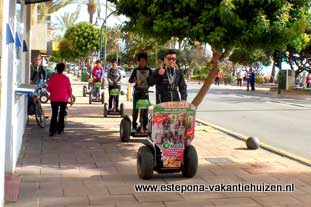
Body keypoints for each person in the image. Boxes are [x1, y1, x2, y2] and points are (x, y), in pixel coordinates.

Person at [129, 52, 152, 131]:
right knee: (135, 109)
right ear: (138, 62)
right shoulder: (135, 70)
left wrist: (150, 82)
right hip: (137, 92)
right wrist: (135, 81)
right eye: (140, 61)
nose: (142, 62)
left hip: (145, 92)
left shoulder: (149, 70)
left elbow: (152, 81)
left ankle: (144, 126)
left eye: (144, 61)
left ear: (146, 62)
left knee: (145, 110)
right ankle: (134, 125)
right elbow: (130, 80)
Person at [47, 63, 73, 136]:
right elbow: (69, 89)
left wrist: (53, 91)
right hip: (63, 98)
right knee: (61, 114)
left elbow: (49, 89)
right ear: (64, 69)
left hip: (54, 98)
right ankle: (60, 129)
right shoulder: (66, 78)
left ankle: (52, 130)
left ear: (56, 69)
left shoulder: (52, 77)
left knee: (54, 114)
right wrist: (70, 99)